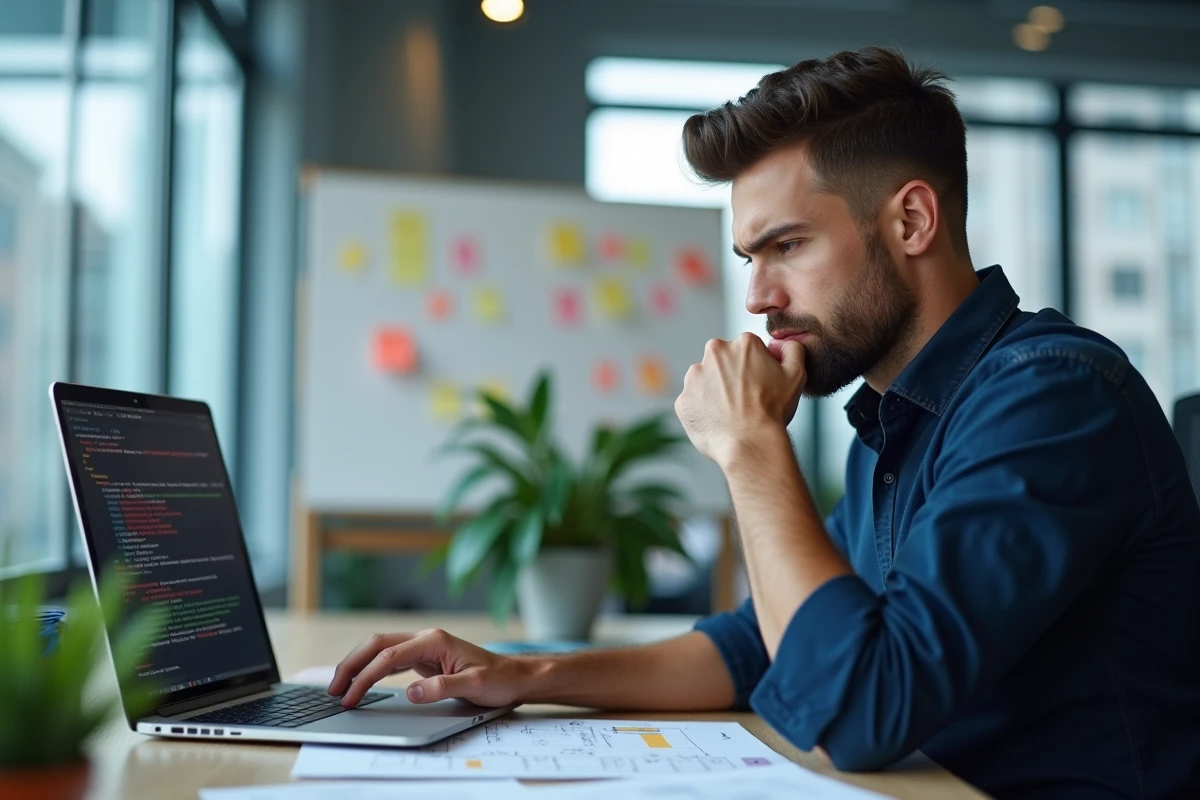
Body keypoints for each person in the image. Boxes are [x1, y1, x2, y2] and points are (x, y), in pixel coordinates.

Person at [327, 47, 1200, 798]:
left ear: (911, 220)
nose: (757, 297)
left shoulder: (1052, 400)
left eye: (788, 246)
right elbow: (757, 646)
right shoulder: (903, 418)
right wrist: (524, 676)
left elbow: (860, 709)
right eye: (751, 257)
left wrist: (751, 448)